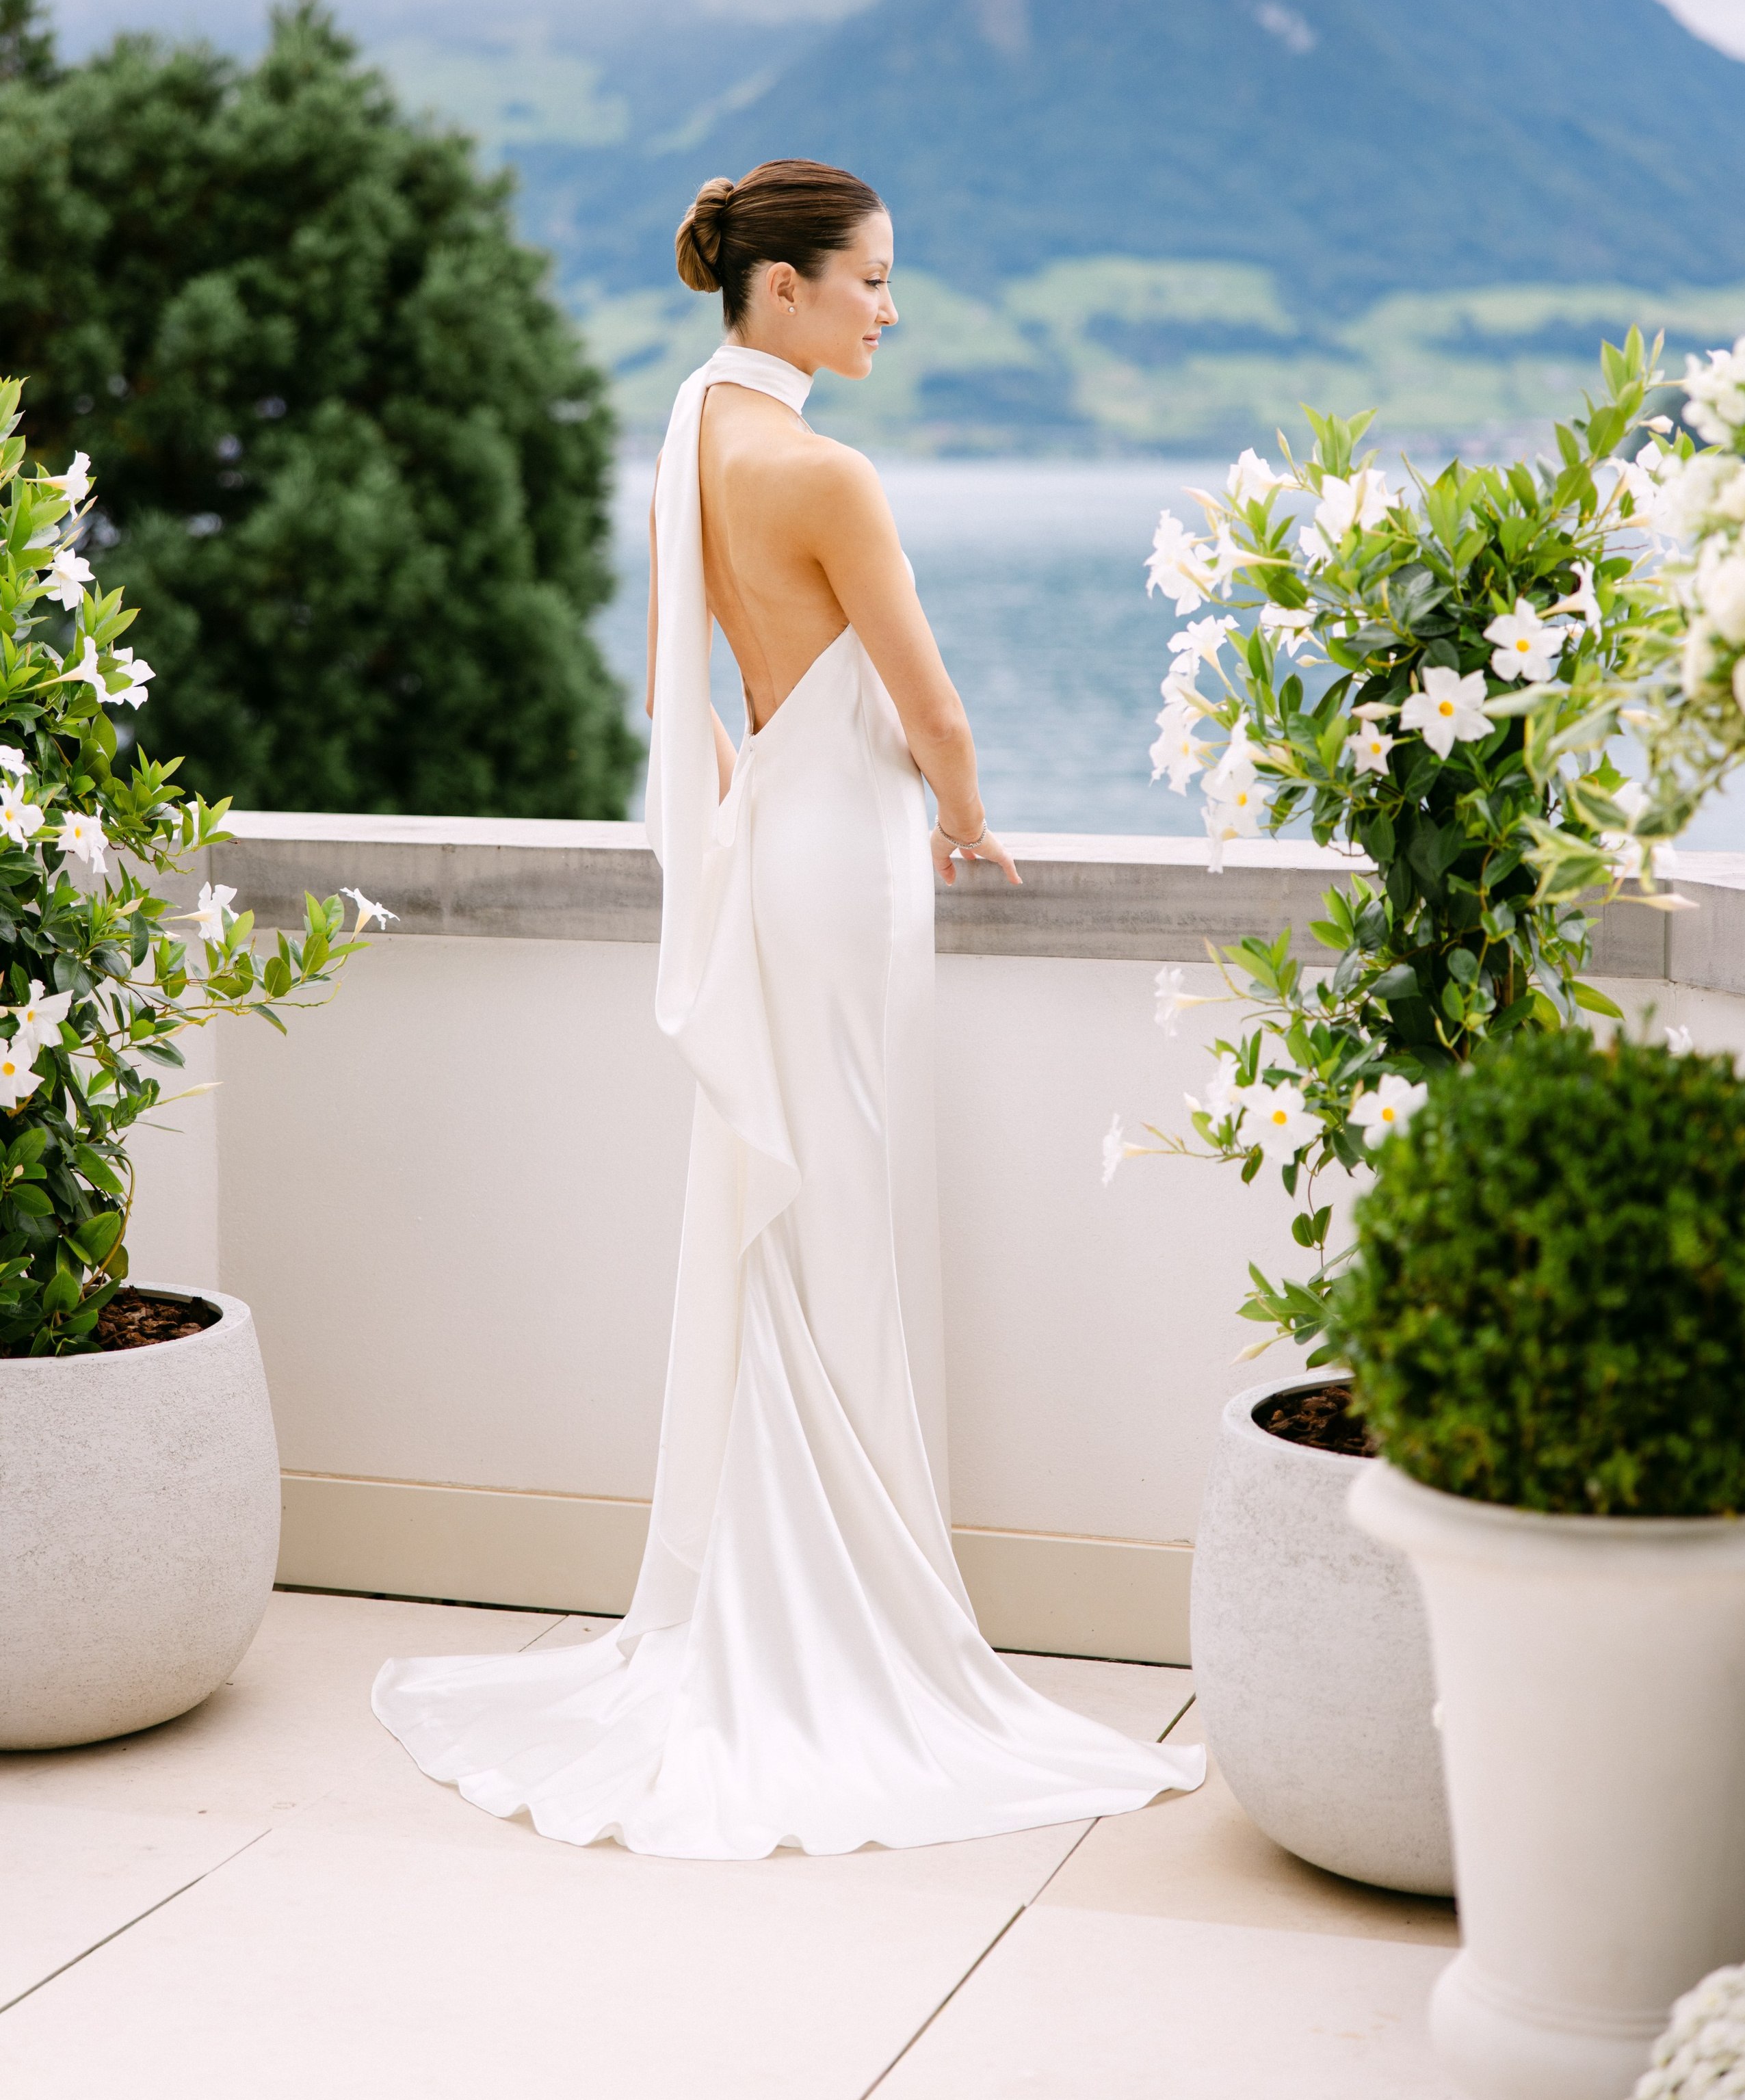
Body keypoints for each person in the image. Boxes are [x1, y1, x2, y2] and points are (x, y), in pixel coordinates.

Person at [372, 159, 1203, 1856]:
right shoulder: (825, 472)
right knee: (844, 1199)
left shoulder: (695, 430)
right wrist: (965, 818)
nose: (892, 306)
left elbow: (721, 669)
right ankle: (849, 1607)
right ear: (785, 291)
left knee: (796, 1202)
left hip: (774, 842)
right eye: (873, 277)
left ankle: (787, 1564)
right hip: (848, 859)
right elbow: (936, 705)